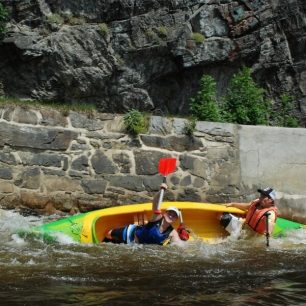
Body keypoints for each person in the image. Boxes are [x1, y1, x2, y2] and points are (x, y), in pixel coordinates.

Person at [105, 183, 189, 245]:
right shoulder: (157, 217)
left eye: (174, 215)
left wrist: (184, 240)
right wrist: (161, 191)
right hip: (130, 234)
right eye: (170, 213)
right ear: (164, 213)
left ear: (175, 220)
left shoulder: (172, 233)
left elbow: (180, 246)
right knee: (108, 234)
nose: (171, 216)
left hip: (136, 247)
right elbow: (155, 203)